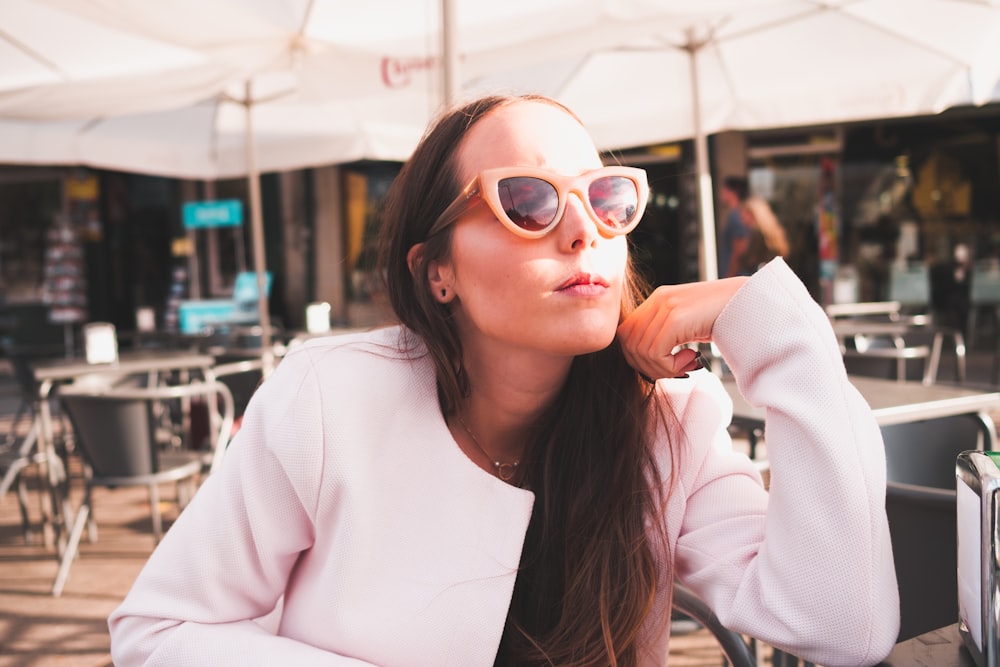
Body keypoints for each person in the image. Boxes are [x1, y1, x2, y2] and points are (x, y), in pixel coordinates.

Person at [108, 94, 899, 666]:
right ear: (437, 271)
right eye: (527, 201)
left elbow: (844, 623)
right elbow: (159, 630)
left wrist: (783, 330)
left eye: (606, 197)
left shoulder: (670, 422)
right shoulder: (327, 402)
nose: (583, 228)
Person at [718, 176, 751, 278]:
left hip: (735, 278)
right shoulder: (736, 214)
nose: (721, 194)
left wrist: (730, 276)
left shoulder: (736, 216)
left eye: (724, 190)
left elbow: (739, 248)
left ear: (732, 192)